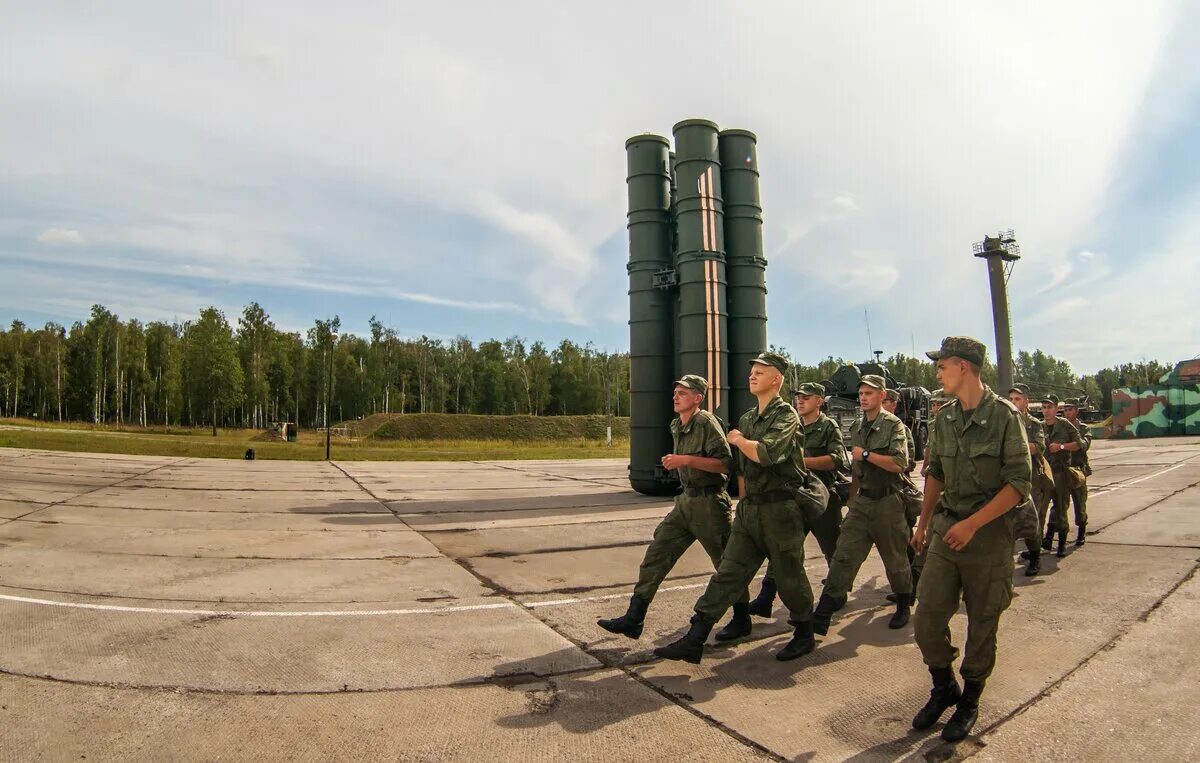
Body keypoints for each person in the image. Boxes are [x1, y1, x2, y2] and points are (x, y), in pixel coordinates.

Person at [654, 352, 818, 664]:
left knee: (788, 575)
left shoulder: (786, 416)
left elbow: (766, 454)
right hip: (751, 509)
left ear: (777, 379)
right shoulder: (746, 418)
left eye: (761, 372)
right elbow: (741, 470)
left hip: (780, 509)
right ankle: (696, 636)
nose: (753, 376)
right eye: (752, 371)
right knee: (728, 572)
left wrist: (740, 440)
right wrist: (742, 503)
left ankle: (804, 632)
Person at [911, 336, 1032, 742]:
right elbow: (936, 475)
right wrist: (924, 524)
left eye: (942, 365)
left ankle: (970, 699)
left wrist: (974, 524)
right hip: (948, 530)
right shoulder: (944, 418)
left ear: (963, 366)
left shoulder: (1004, 416)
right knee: (926, 618)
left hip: (988, 538)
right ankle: (944, 686)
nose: (937, 371)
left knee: (982, 623)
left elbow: (1019, 483)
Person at [597, 375, 747, 640]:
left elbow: (726, 464)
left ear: (698, 398)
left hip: (710, 503)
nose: (676, 396)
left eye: (683, 393)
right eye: (675, 391)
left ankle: (742, 617)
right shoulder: (677, 424)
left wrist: (686, 459)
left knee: (726, 564)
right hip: (686, 501)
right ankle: (635, 617)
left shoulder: (706, 423)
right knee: (657, 552)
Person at [811, 374, 913, 635]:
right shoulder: (857, 427)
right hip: (863, 502)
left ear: (881, 395)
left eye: (869, 393)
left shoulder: (894, 425)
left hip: (888, 501)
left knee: (895, 559)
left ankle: (903, 602)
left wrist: (867, 454)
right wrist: (853, 499)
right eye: (861, 394)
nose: (863, 398)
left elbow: (899, 463)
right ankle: (822, 614)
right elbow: (857, 469)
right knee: (844, 555)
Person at [748, 381, 848, 618]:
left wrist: (799, 461)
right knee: (784, 547)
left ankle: (837, 592)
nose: (800, 400)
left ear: (819, 401)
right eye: (798, 397)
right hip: (797, 496)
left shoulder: (828, 427)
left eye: (806, 397)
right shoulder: (792, 424)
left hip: (823, 498)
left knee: (832, 548)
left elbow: (835, 460)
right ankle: (766, 597)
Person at [883, 387, 923, 602]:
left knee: (906, 545)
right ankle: (904, 589)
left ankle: (912, 588)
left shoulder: (901, 430)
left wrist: (881, 461)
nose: (882, 404)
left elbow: (908, 463)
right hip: (882, 498)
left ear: (894, 404)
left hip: (899, 493)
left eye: (887, 400)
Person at [1008, 383, 1050, 576]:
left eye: (1017, 399)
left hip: (1031, 478)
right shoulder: (1005, 421)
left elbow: (1038, 447)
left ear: (1026, 401)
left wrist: (1017, 444)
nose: (1013, 402)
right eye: (1011, 399)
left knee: (1032, 521)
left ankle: (1035, 558)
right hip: (1009, 478)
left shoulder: (1034, 424)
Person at [1041, 395, 1084, 558]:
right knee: (1041, 510)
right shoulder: (1039, 426)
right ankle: (1039, 545)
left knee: (1060, 509)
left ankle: (1061, 544)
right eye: (1044, 407)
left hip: (1060, 474)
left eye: (1050, 407)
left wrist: (1061, 446)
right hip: (1044, 474)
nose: (1046, 411)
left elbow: (1079, 444)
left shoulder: (1064, 425)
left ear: (1056, 408)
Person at [1062, 399, 1092, 547]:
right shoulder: (1060, 427)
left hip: (1078, 471)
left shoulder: (1084, 428)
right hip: (1063, 471)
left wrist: (1062, 446)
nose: (1068, 413)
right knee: (1060, 505)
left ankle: (1081, 532)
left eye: (1070, 409)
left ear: (1077, 411)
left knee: (1080, 505)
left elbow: (1083, 445)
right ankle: (1057, 534)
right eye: (1066, 410)